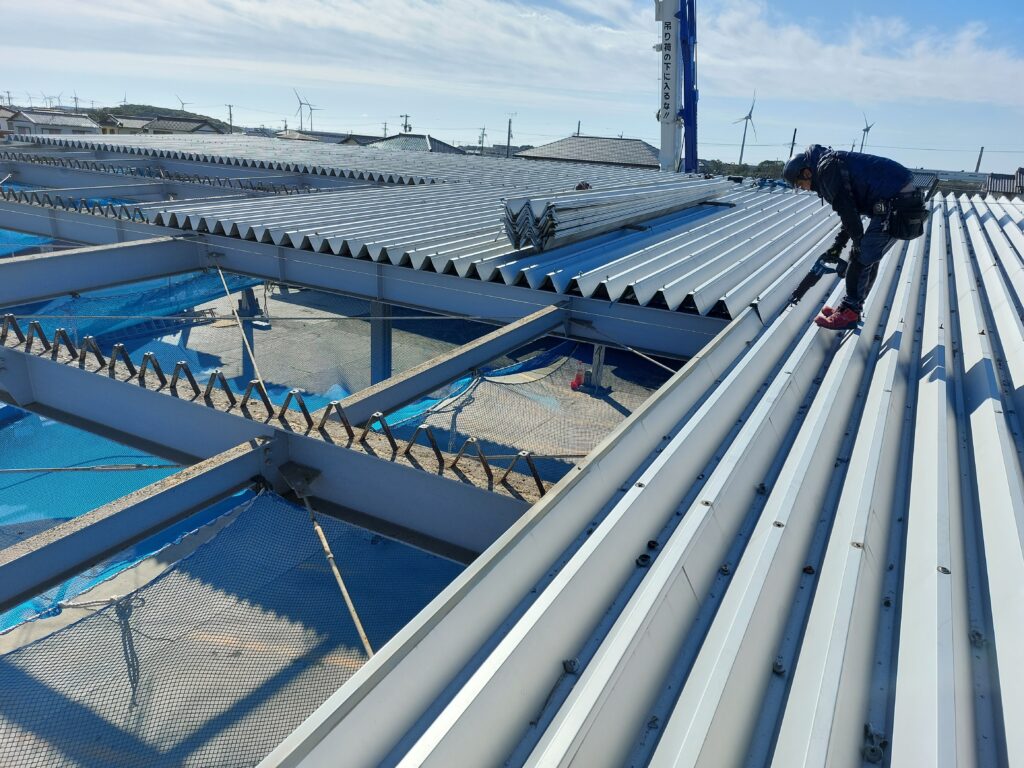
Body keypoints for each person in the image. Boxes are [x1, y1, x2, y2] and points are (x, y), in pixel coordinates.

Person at [782, 145, 925, 330]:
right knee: (867, 256)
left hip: (897, 206)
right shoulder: (828, 165)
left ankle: (849, 312)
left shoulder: (826, 169)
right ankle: (851, 308)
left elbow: (847, 210)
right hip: (897, 202)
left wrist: (857, 242)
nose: (805, 189)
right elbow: (849, 208)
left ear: (807, 173)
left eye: (801, 184)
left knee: (861, 257)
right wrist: (839, 244)